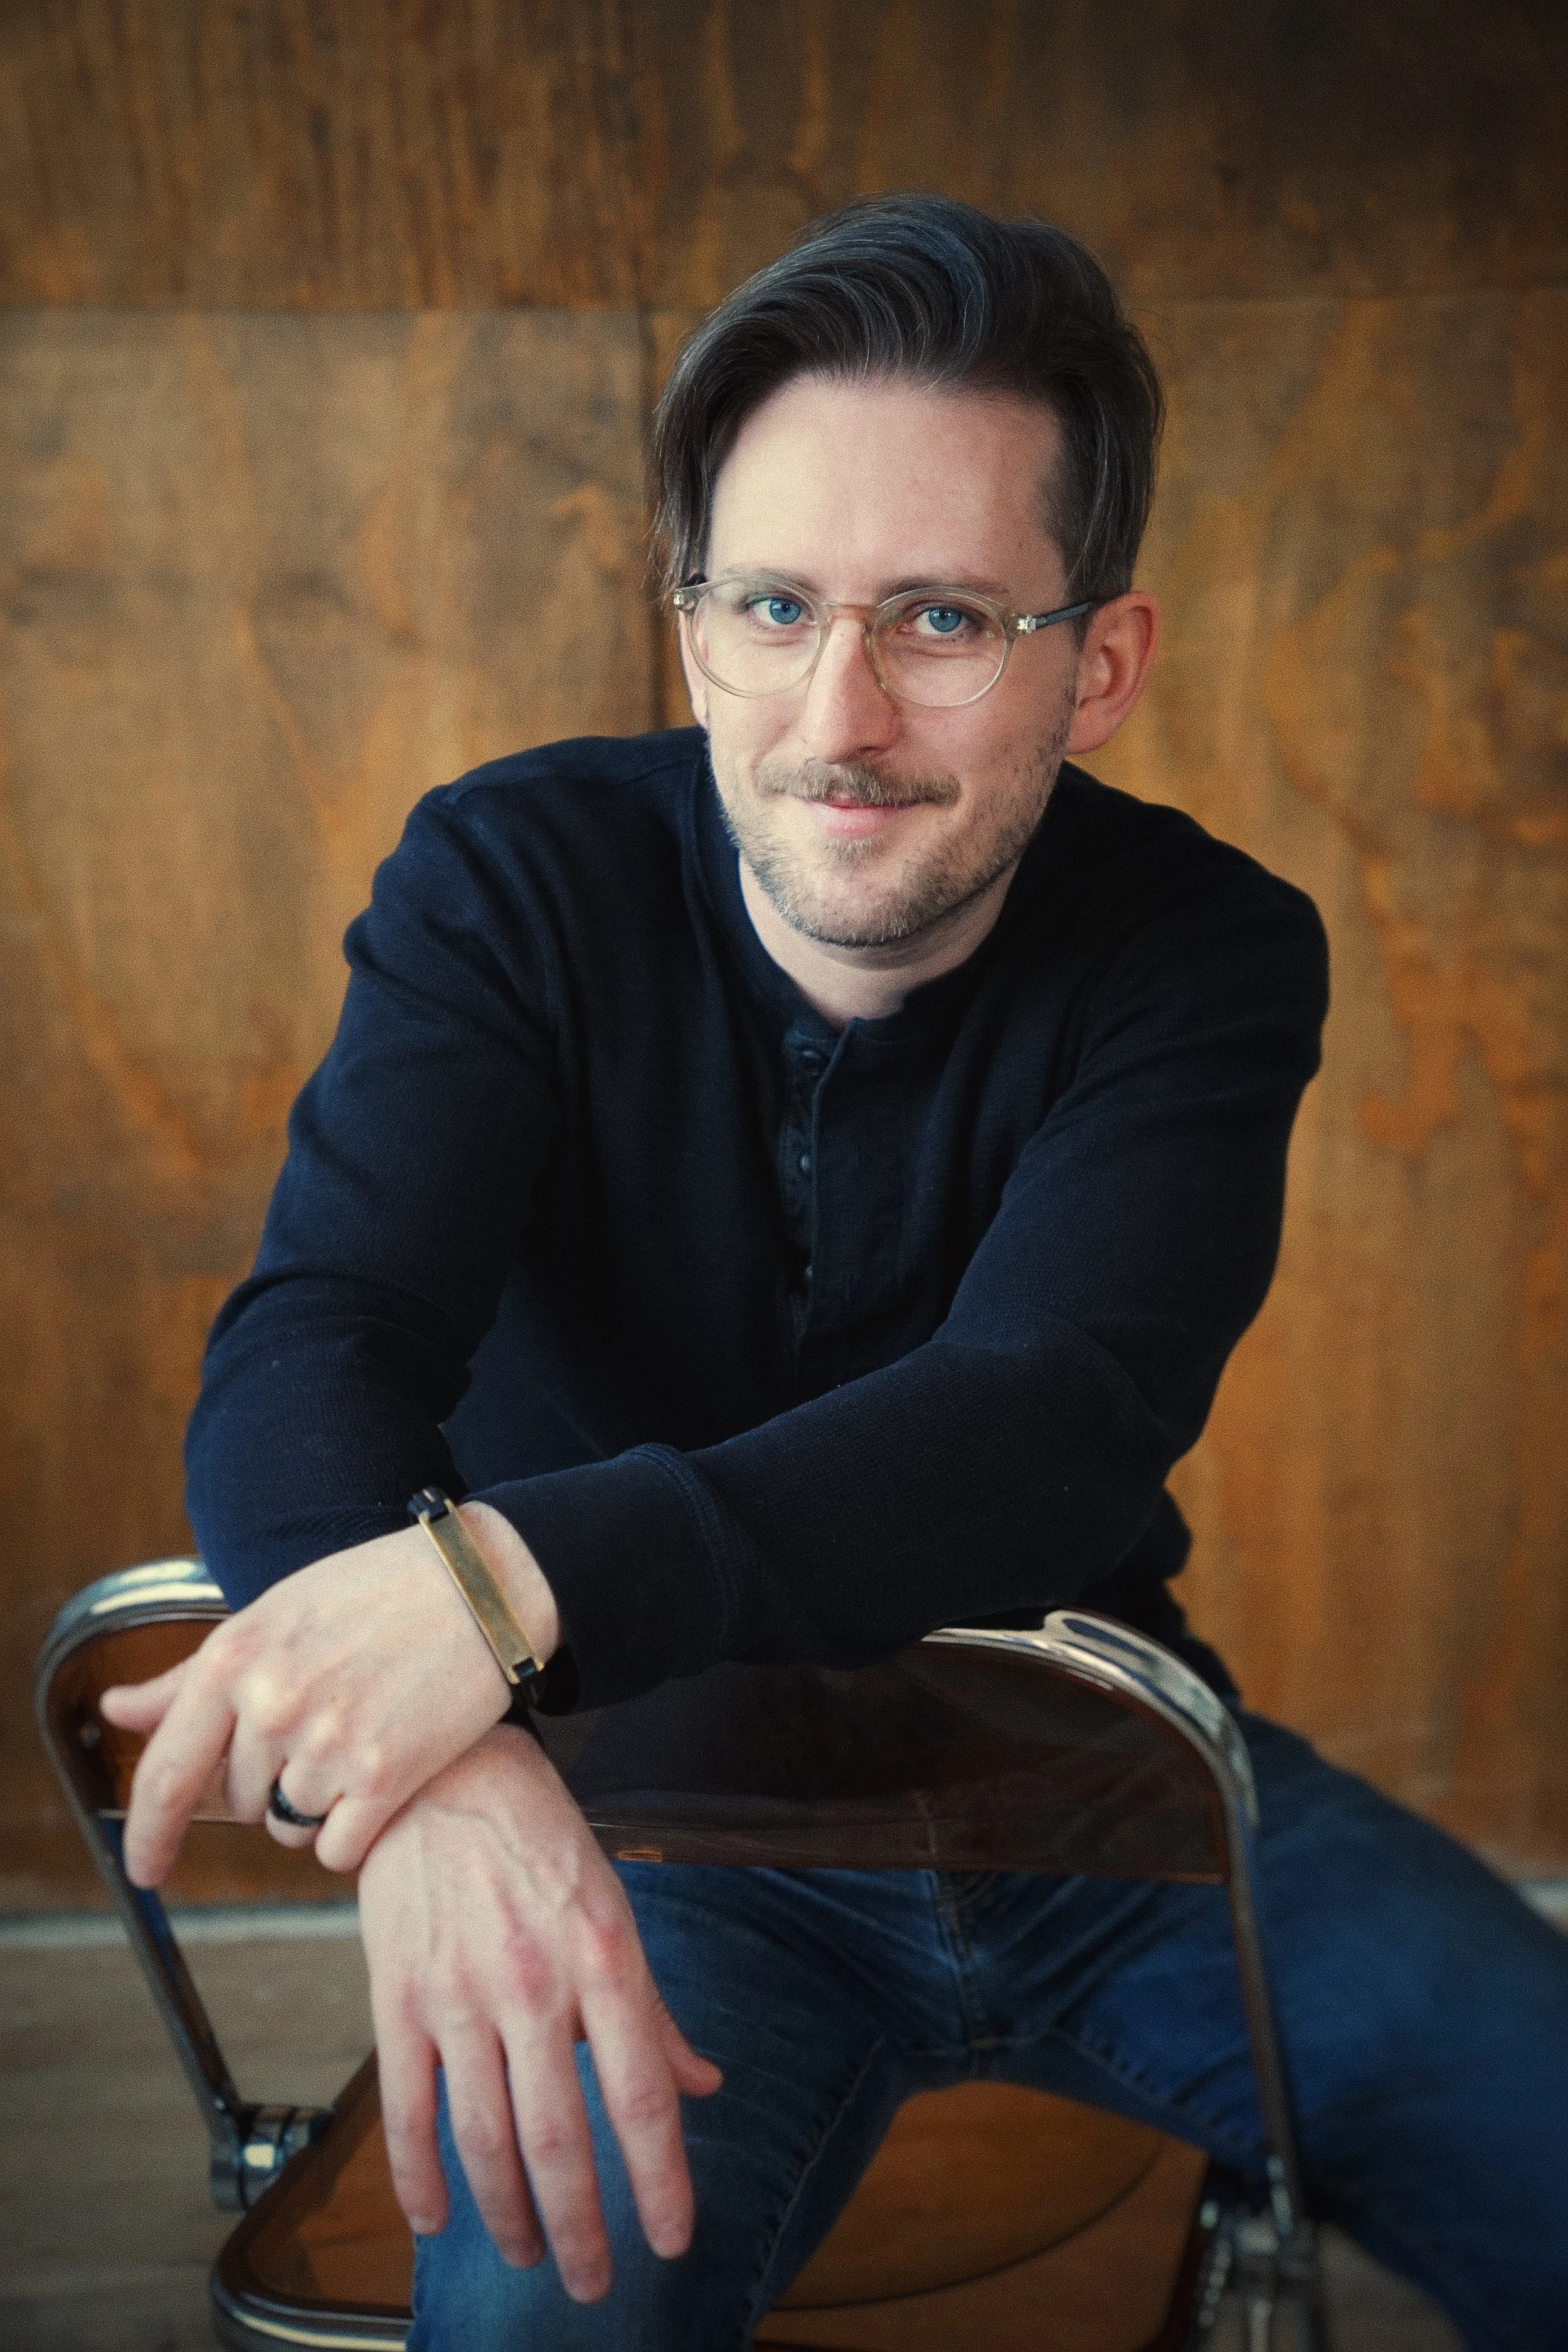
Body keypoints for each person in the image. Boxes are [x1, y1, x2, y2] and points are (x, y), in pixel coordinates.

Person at [103, 197, 1568, 2350]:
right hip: (654, 1834)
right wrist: (441, 1773)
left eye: (945, 618)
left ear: (1103, 664)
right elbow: (319, 1338)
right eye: (772, 604)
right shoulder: (509, 877)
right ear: (689, 625)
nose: (839, 710)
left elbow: (1044, 1416)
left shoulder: (1205, 946)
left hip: (1088, 1781)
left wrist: (494, 1599)